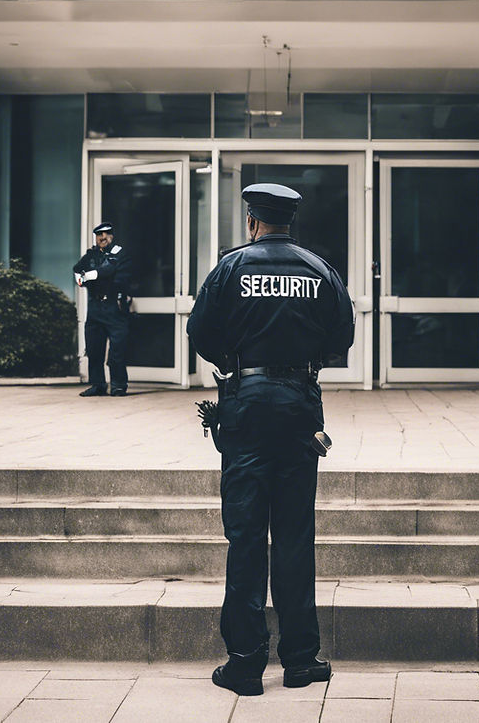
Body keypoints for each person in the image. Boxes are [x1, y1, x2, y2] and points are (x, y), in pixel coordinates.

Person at [187, 183, 355, 697]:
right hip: (300, 406)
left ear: (253, 221)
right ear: (289, 222)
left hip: (245, 405)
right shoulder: (318, 269)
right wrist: (301, 364)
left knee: (245, 537)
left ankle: (244, 664)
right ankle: (301, 661)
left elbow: (200, 332)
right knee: (294, 536)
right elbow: (342, 337)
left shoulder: (230, 268)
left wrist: (237, 367)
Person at [73, 222, 133, 397]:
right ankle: (98, 385)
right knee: (94, 348)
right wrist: (87, 277)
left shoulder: (120, 254)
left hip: (114, 306)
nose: (103, 238)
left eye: (106, 234)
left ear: (112, 236)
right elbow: (77, 271)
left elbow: (116, 277)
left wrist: (92, 276)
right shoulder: (91, 255)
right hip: (95, 307)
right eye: (99, 235)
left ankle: (118, 385)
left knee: (117, 351)